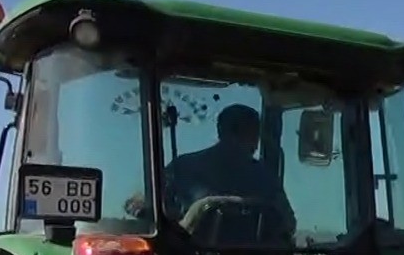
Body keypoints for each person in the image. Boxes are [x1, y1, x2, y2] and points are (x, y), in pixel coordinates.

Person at [126, 103, 297, 240]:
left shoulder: (183, 166)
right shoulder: (265, 177)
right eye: (251, 134)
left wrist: (151, 213)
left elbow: (137, 204)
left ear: (219, 130)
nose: (255, 142)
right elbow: (288, 224)